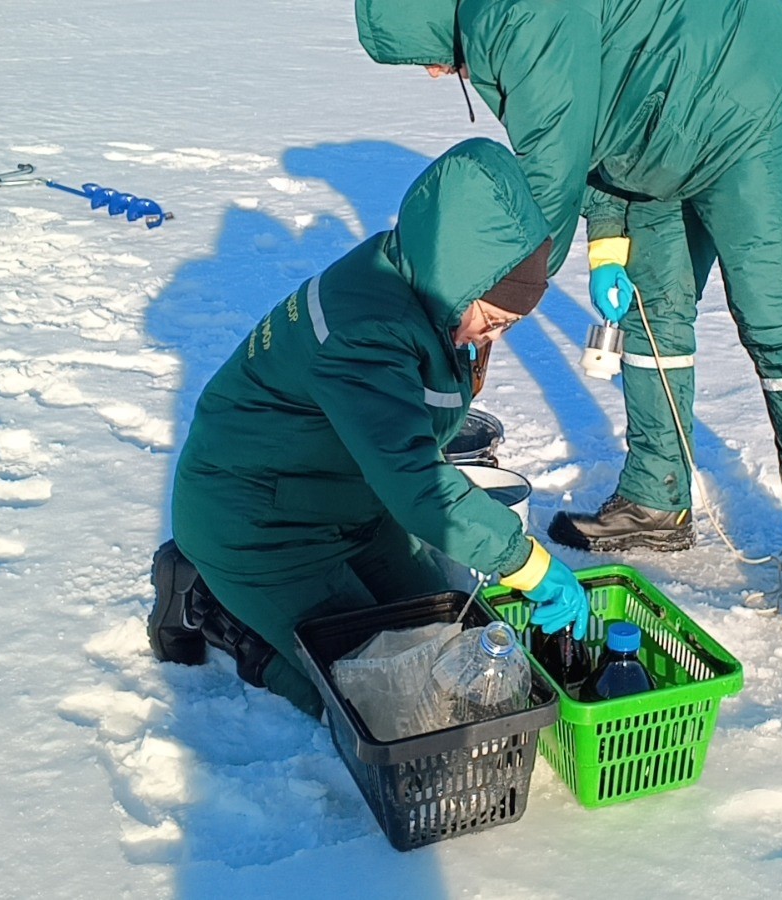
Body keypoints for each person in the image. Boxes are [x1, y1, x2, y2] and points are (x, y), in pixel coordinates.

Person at [355, 0, 782, 629]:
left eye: (422, 53)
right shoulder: (495, 32)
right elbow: (583, 130)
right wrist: (607, 245)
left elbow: (548, 169)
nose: (433, 73)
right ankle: (657, 500)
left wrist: (493, 297)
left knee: (775, 317)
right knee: (652, 313)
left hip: (745, 98)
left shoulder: (514, 15)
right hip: (654, 133)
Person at [149, 138, 590, 715]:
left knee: (455, 643)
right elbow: (415, 482)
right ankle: (214, 608)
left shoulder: (420, 278)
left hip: (348, 504)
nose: (493, 337)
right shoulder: (368, 330)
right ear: (462, 270)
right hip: (258, 524)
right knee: (384, 703)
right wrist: (527, 562)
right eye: (492, 318)